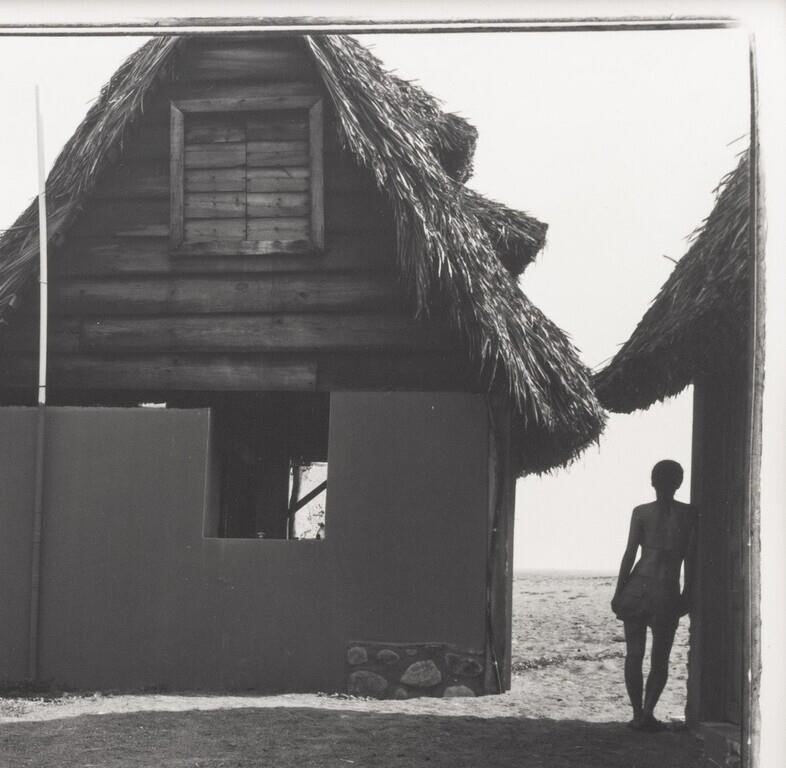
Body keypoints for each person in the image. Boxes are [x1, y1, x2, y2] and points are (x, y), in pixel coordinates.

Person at [611, 459, 697, 732]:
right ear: (679, 483)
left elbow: (629, 554)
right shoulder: (690, 514)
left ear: (652, 481)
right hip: (666, 590)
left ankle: (637, 714)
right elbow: (691, 558)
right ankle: (647, 712)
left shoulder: (641, 512)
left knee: (634, 654)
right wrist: (688, 593)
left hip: (638, 587)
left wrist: (619, 591)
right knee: (660, 658)